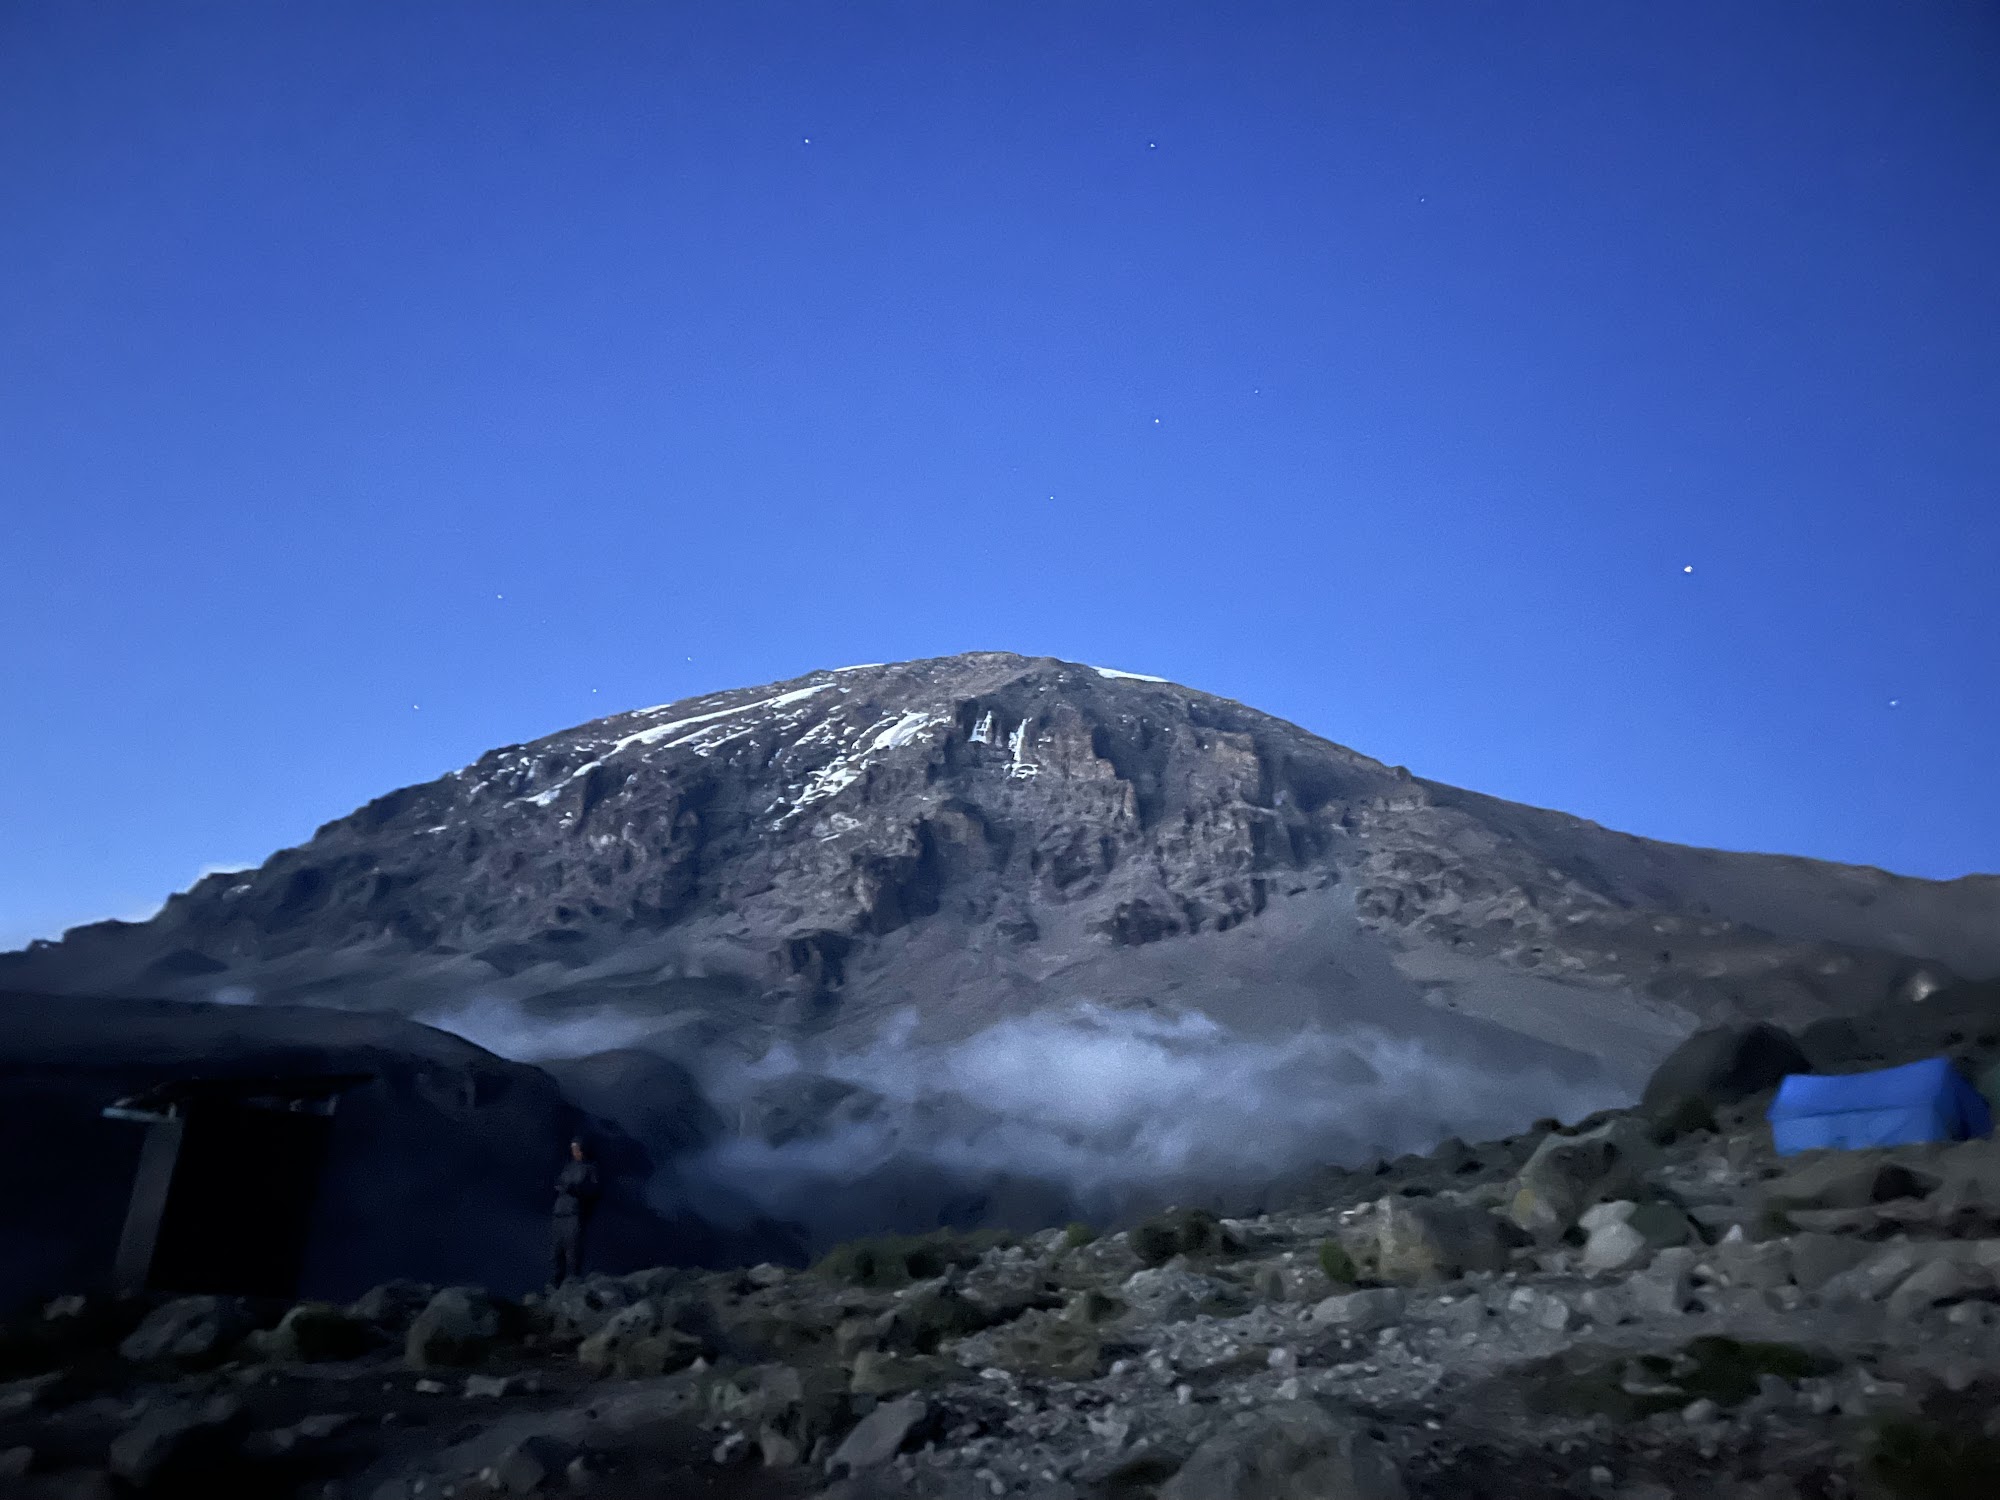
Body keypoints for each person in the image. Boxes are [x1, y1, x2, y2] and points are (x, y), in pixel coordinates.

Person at [550, 1136, 601, 1286]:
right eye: (573, 1149)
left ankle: (572, 1284)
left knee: (572, 1251)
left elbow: (593, 1191)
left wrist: (575, 1189)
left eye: (577, 1148)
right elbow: (559, 1183)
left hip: (574, 1214)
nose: (575, 1152)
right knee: (556, 1252)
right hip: (559, 1214)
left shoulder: (590, 1168)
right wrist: (560, 1186)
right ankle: (555, 1285)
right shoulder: (568, 1167)